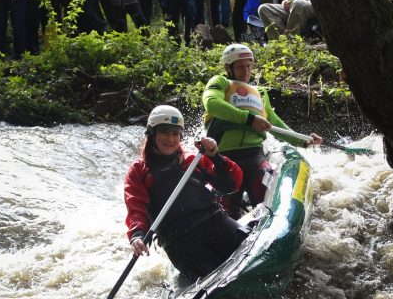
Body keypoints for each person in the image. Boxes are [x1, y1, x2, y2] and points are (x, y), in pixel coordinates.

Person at [124, 105, 248, 281]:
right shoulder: (138, 171)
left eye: (176, 134)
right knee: (210, 276)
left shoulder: (192, 159)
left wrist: (216, 157)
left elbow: (231, 184)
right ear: (152, 134)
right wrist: (137, 236)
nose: (171, 139)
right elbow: (136, 209)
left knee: (249, 245)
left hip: (214, 222)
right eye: (165, 132)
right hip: (179, 241)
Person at [202, 43, 322, 215]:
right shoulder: (220, 82)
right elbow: (212, 104)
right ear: (229, 68)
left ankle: (266, 224)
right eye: (241, 67)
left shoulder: (260, 93)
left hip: (254, 156)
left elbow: (275, 124)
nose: (246, 71)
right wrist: (249, 119)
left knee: (264, 177)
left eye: (249, 66)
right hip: (224, 158)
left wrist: (304, 140)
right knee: (225, 208)